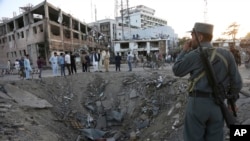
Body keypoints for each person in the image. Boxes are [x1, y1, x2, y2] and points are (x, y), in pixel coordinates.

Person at [172, 22, 243, 141]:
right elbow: (237, 83)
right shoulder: (226, 54)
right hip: (218, 105)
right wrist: (232, 102)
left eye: (192, 36)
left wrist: (184, 51)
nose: (191, 39)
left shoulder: (194, 54)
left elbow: (177, 70)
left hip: (197, 104)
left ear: (200, 37)